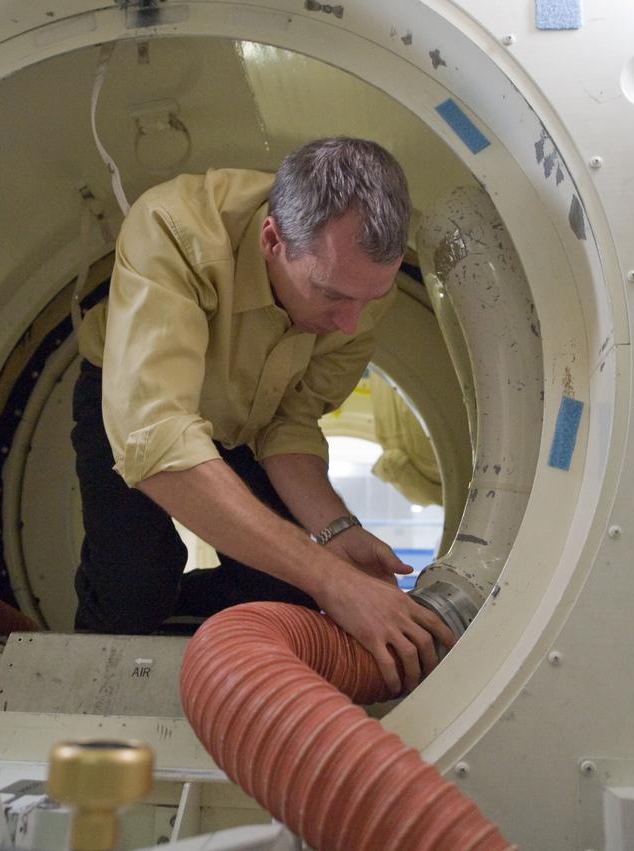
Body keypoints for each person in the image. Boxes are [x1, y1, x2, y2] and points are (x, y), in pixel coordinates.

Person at [71, 137, 454, 694]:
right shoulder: (174, 229)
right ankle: (88, 690)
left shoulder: (360, 290)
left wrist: (336, 534)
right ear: (272, 240)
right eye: (331, 295)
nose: (351, 323)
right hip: (130, 407)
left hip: (244, 423)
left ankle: (210, 675)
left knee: (284, 592)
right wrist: (332, 582)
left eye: (369, 299)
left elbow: (289, 422)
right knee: (134, 587)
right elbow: (155, 441)